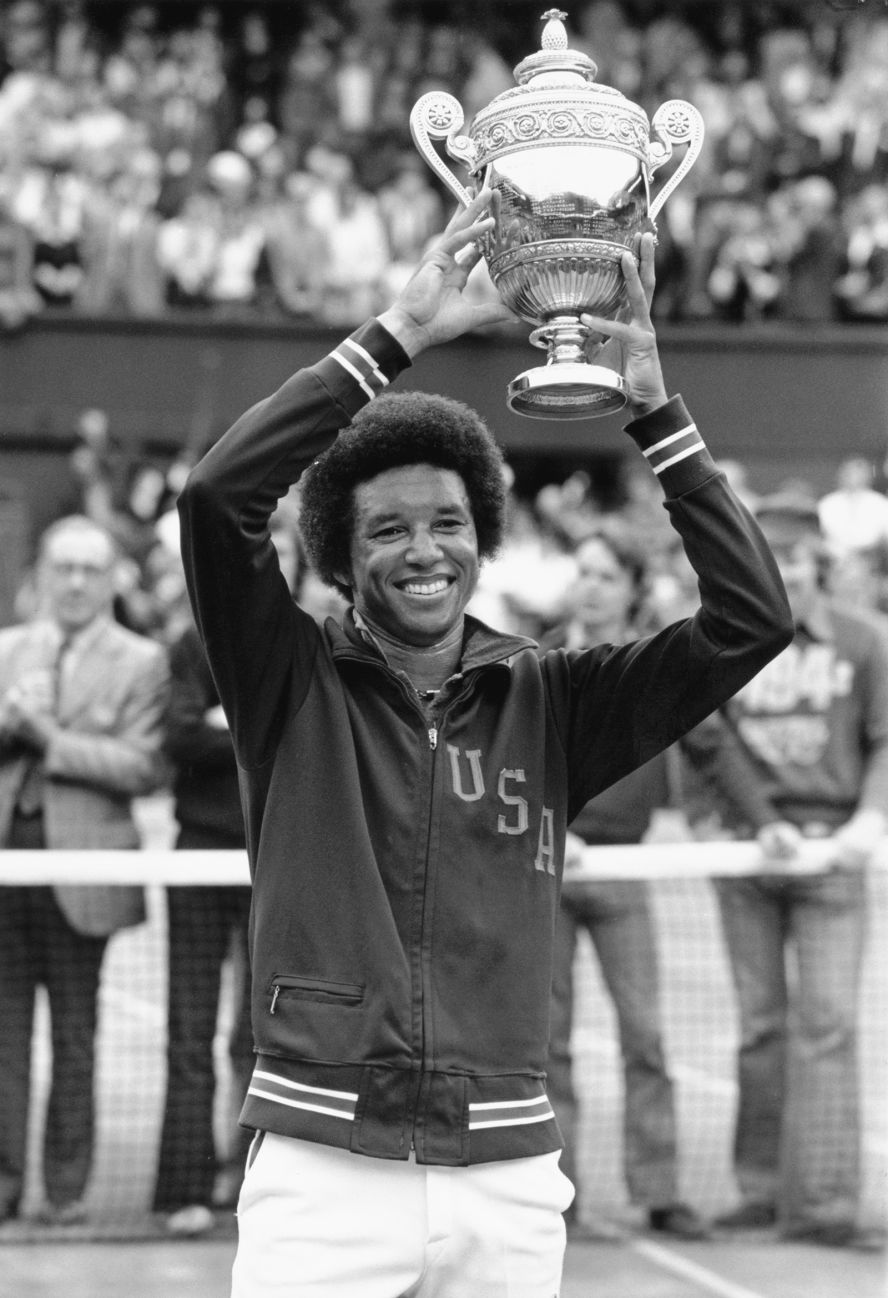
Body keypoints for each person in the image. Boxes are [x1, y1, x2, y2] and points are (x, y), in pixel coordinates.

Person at [176, 190, 792, 1296]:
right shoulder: (286, 679)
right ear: (338, 554)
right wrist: (397, 336)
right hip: (323, 1170)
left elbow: (752, 619)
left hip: (507, 1172)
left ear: (484, 538)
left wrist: (655, 412)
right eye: (390, 527)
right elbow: (218, 494)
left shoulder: (554, 698)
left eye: (450, 521)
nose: (426, 549)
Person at [543, 524, 785, 1244]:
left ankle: (658, 1191)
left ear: (632, 590)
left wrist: (765, 820)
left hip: (629, 874)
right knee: (546, 1047)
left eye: (605, 574)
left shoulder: (656, 663)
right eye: (581, 571)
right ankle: (559, 1196)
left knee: (645, 1039)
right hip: (543, 871)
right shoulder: (534, 662)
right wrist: (553, 828)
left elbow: (711, 744)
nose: (590, 585)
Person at [709, 491, 888, 1251]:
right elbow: (710, 741)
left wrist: (870, 819)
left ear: (819, 559)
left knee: (829, 1026)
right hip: (747, 855)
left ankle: (825, 1204)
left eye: (791, 554)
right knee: (760, 1030)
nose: (780, 568)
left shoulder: (865, 641)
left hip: (832, 853)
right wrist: (763, 821)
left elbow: (886, 738)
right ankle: (758, 1194)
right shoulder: (725, 640)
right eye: (766, 554)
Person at [0, 514, 169, 1226]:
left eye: (88, 569)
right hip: (9, 871)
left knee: (75, 1038)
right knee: (4, 1040)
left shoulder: (142, 661)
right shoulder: (5, 650)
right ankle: (5, 1187)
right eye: (61, 566)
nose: (73, 581)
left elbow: (143, 765)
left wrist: (51, 740)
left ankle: (65, 1191)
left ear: (109, 580)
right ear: (41, 573)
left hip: (84, 880)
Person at [153, 510, 301, 1237]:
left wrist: (225, 724)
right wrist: (239, 727)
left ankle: (252, 1188)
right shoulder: (188, 646)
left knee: (259, 1034)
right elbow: (179, 735)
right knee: (187, 1029)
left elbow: (292, 739)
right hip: (196, 856)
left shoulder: (293, 647)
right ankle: (179, 1187)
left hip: (272, 859)